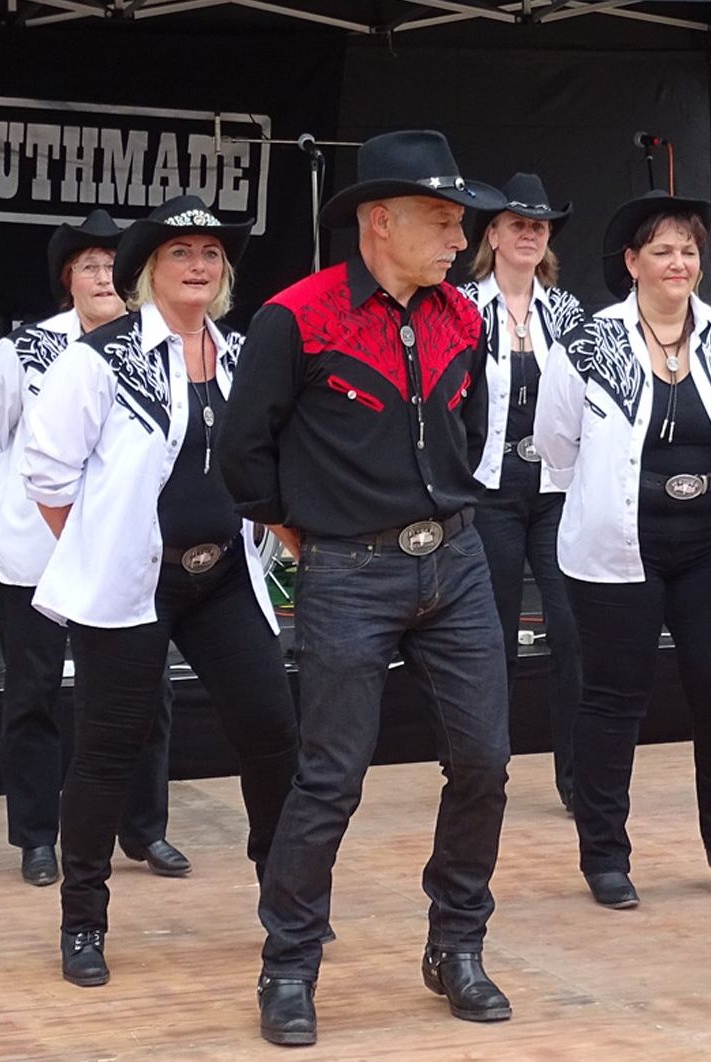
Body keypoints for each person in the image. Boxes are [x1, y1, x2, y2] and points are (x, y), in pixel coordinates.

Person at [219, 130, 512, 1046]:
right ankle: (290, 965)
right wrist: (300, 525)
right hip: (349, 568)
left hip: (456, 561)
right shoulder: (296, 317)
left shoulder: (462, 316)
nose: (457, 239)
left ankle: (456, 945)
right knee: (330, 776)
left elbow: (472, 426)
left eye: (461, 223)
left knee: (484, 762)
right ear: (378, 221)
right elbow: (240, 454)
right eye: (440, 220)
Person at [18, 195, 299, 988]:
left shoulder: (245, 356)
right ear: (148, 271)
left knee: (272, 731)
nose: (198, 265)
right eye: (180, 253)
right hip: (133, 585)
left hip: (225, 581)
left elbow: (273, 455)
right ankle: (83, 920)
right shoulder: (101, 359)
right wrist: (105, 547)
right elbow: (47, 474)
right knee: (108, 748)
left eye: (211, 253)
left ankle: (286, 898)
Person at [534, 189, 711, 911]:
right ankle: (604, 854)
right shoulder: (588, 343)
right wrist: (607, 498)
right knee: (611, 699)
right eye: (661, 250)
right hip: (615, 548)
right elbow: (557, 447)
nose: (678, 262)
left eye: (689, 250)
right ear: (631, 263)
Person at [0, 211, 187, 888]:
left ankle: (145, 830)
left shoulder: (162, 346)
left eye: (113, 263)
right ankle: (36, 837)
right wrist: (20, 494)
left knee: (145, 695)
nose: (102, 276)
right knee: (32, 694)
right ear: (68, 279)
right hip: (39, 553)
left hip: (128, 553)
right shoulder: (22, 351)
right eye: (88, 264)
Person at [459, 173, 584, 814]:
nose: (531, 234)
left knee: (572, 627)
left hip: (556, 487)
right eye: (519, 224)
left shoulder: (566, 311)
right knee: (493, 635)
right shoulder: (462, 306)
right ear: (494, 234)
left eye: (540, 225)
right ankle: (487, 773)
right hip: (489, 490)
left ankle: (577, 776)